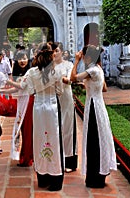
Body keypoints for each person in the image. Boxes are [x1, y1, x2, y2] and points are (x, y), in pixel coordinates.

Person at [70, 44, 117, 188]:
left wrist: (76, 60)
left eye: (83, 55)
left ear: (87, 56)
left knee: (93, 141)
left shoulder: (91, 70)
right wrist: (89, 86)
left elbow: (73, 78)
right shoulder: (98, 69)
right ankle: (99, 175)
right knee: (99, 140)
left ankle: (94, 177)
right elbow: (104, 88)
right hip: (99, 107)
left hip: (94, 108)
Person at [21, 48, 64, 191]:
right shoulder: (57, 71)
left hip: (38, 108)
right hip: (52, 107)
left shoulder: (32, 72)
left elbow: (30, 90)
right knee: (54, 140)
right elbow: (60, 91)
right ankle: (55, 178)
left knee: (39, 140)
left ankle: (42, 177)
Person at [0, 50, 33, 167]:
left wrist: (6, 81)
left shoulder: (30, 72)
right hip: (21, 102)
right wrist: (0, 90)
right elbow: (16, 89)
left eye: (24, 58)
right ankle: (26, 155)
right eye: (20, 58)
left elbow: (21, 86)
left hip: (29, 102)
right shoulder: (18, 73)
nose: (22, 61)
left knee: (28, 130)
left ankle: (27, 158)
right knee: (23, 130)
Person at [54, 42, 78, 172]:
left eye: (57, 50)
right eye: (53, 51)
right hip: (53, 99)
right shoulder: (49, 66)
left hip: (66, 99)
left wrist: (61, 78)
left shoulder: (68, 65)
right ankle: (56, 158)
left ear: (62, 52)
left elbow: (69, 80)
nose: (55, 53)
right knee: (55, 128)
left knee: (68, 128)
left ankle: (70, 161)